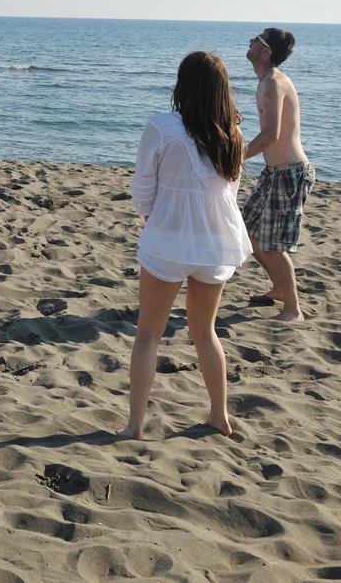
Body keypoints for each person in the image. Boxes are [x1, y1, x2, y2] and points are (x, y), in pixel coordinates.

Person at [119, 51, 249, 440]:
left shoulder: (162, 128)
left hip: (169, 241)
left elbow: (143, 191)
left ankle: (135, 426)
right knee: (204, 331)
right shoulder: (233, 134)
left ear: (182, 85)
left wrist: (154, 219)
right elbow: (230, 192)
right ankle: (218, 415)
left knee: (148, 334)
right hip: (214, 243)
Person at [242, 27, 315, 322]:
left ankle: (293, 310)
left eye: (255, 39)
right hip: (273, 173)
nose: (249, 41)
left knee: (273, 244)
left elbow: (270, 134)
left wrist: (237, 156)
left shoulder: (273, 82)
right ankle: (280, 288)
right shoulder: (265, 82)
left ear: (265, 51)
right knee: (249, 234)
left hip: (290, 173)